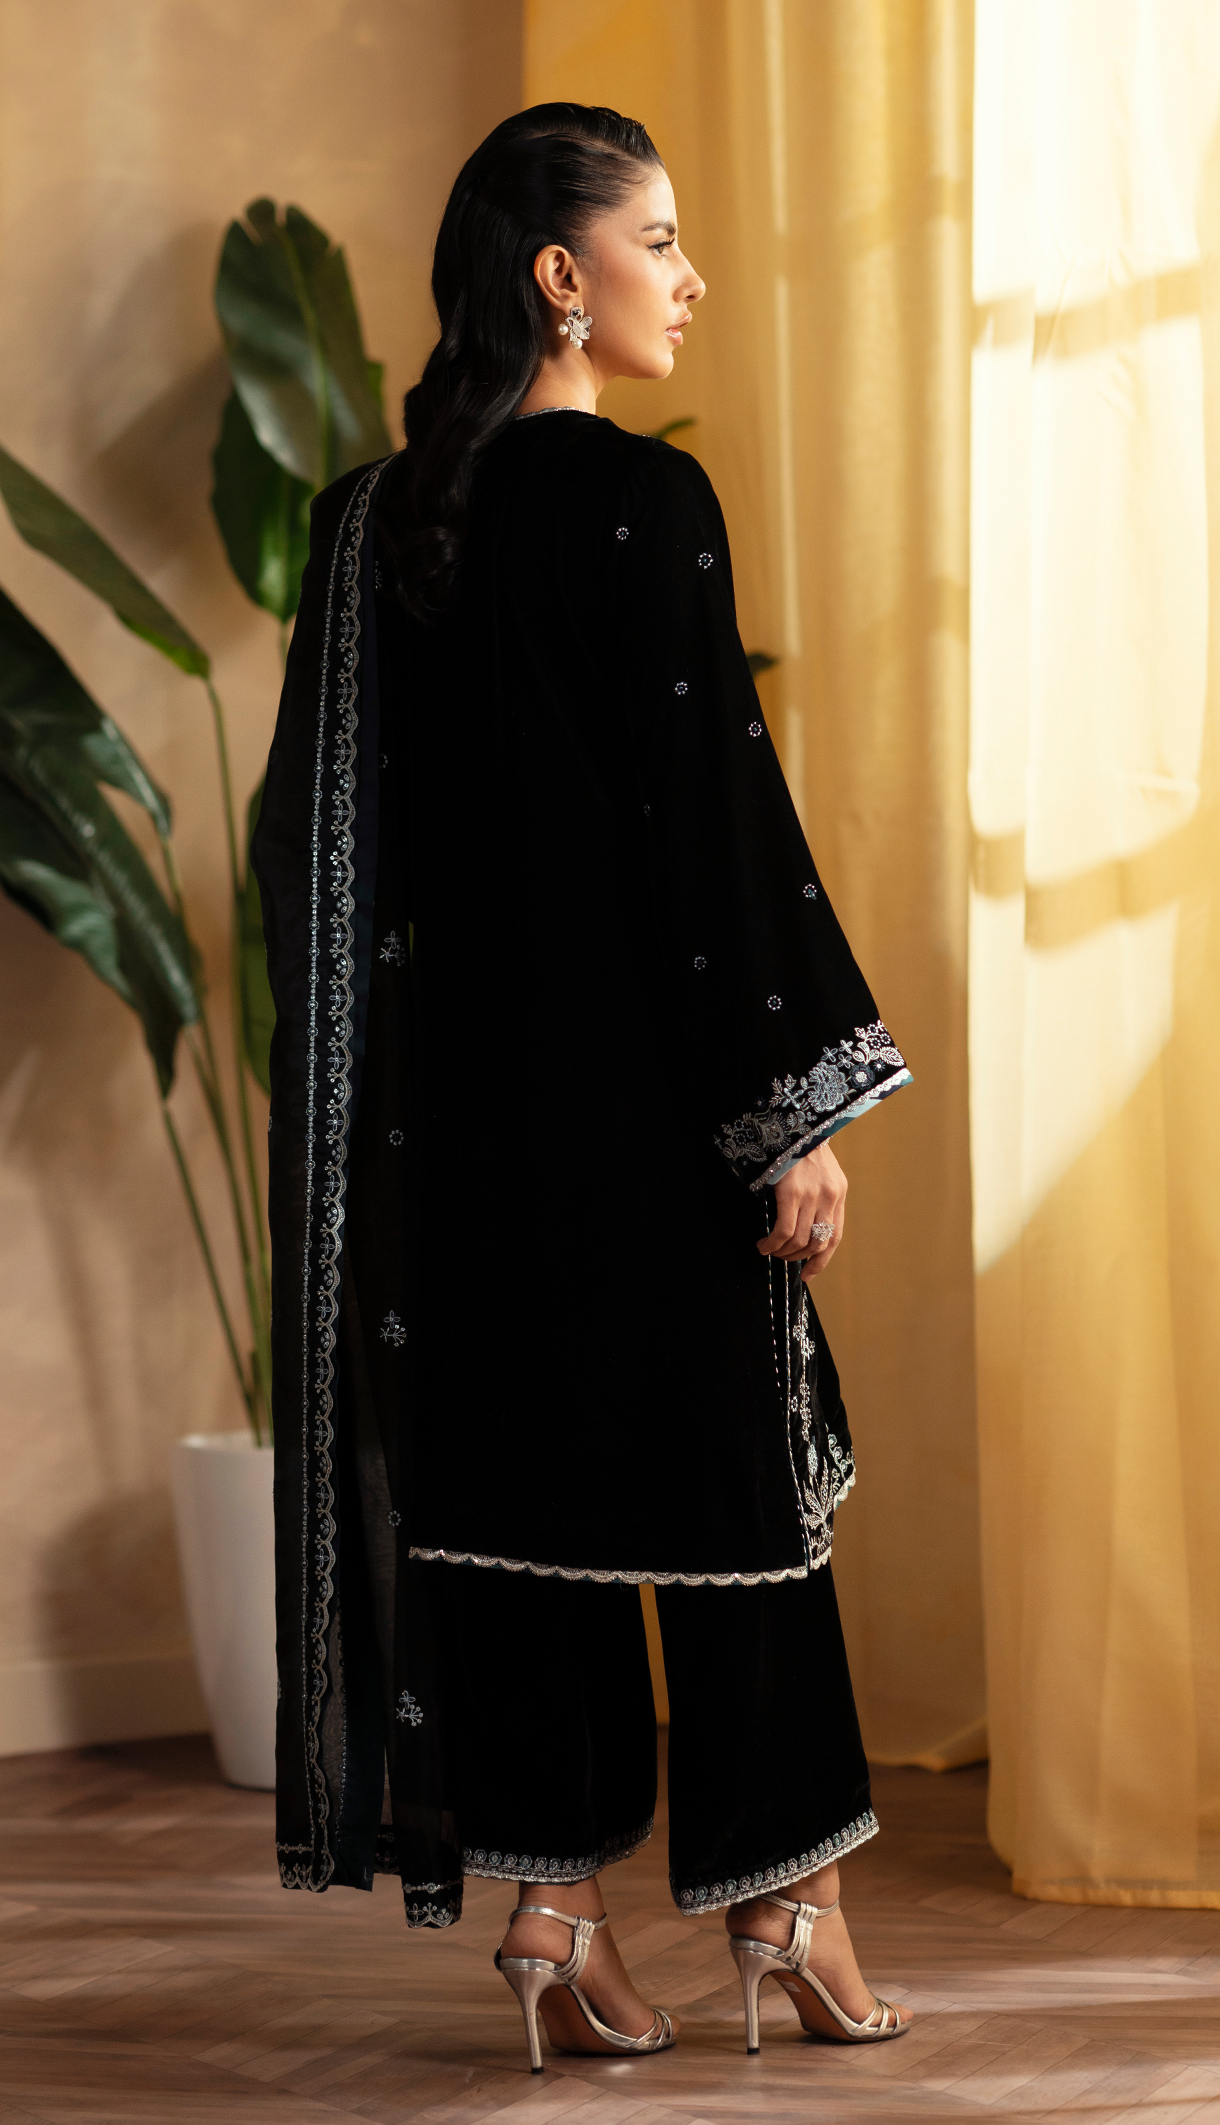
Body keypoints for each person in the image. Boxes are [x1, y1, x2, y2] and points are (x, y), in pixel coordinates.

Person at [253, 103, 914, 2073]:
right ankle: (787, 1905)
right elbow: (706, 828)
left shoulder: (370, 529)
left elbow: (316, 847)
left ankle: (552, 1911)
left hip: (455, 1134)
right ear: (562, 275)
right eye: (659, 239)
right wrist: (789, 1111)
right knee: (739, 1504)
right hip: (648, 1114)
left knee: (515, 1515)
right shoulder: (641, 503)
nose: (688, 278)